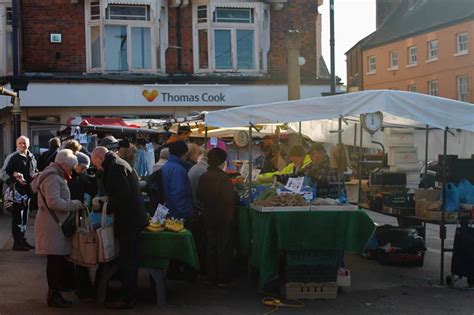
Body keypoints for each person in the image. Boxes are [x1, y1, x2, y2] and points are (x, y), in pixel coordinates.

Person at [91, 147, 148, 309]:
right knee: (129, 258)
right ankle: (129, 295)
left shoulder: (115, 167)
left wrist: (105, 206)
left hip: (128, 221)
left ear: (100, 158)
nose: (97, 168)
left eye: (96, 164)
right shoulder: (118, 163)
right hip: (133, 219)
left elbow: (122, 195)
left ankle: (128, 298)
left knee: (128, 259)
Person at [31, 149, 84, 308]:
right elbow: (54, 202)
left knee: (55, 260)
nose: (71, 170)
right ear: (63, 164)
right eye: (70, 167)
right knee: (54, 261)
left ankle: (55, 293)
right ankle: (54, 295)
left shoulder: (49, 174)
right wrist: (75, 204)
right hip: (52, 225)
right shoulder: (53, 177)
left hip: (50, 223)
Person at [197, 148, 235, 287]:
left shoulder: (204, 176)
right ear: (223, 162)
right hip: (223, 216)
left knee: (211, 245)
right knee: (223, 247)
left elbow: (199, 195)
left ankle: (210, 276)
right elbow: (228, 199)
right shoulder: (224, 178)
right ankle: (222, 278)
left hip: (208, 215)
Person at [4, 136, 38, 251]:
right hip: (16, 192)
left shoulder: (32, 157)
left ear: (28, 144)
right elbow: (3, 172)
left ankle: (22, 240)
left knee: (25, 218)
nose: (22, 145)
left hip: (28, 192)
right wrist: (13, 179)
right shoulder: (13, 157)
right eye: (20, 143)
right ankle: (16, 243)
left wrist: (36, 175)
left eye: (24, 143)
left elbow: (33, 171)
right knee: (17, 218)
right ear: (16, 144)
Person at [161, 141, 193, 221]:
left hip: (169, 209)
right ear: (184, 154)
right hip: (177, 214)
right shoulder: (178, 169)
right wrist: (187, 212)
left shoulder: (167, 165)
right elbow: (177, 194)